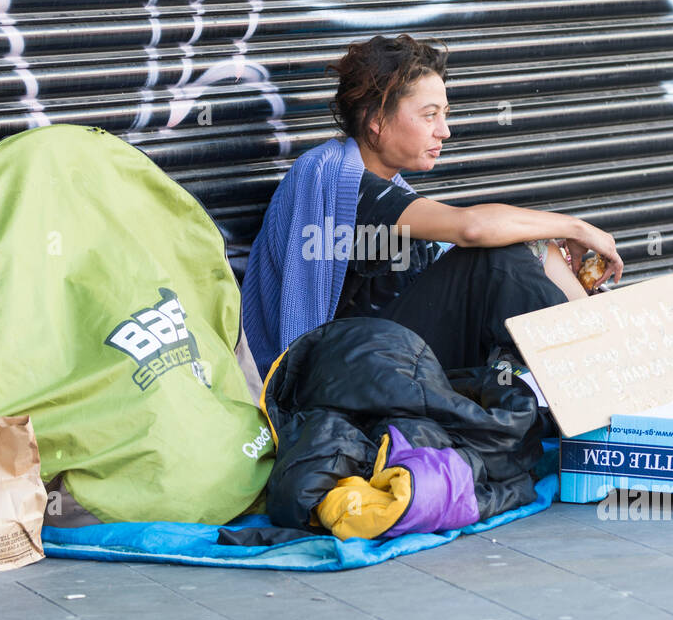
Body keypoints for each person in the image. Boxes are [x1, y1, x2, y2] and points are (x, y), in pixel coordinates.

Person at [241, 33, 624, 380]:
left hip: (383, 358)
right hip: (340, 377)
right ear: (376, 120)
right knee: (495, 259)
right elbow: (470, 228)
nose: (445, 131)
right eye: (430, 116)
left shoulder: (385, 187)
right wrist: (577, 227)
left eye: (445, 115)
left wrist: (552, 244)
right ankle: (603, 372)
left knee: (527, 246)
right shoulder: (336, 180)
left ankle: (607, 362)